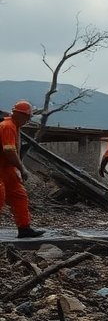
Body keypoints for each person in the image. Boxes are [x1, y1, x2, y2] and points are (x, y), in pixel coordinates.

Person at [0, 100, 43, 238]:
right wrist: (22, 168)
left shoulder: (14, 126)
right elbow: (9, 151)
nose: (28, 120)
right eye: (27, 117)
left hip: (7, 168)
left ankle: (24, 228)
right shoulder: (7, 126)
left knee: (19, 195)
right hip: (3, 167)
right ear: (19, 114)